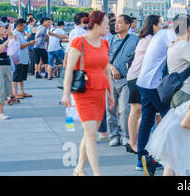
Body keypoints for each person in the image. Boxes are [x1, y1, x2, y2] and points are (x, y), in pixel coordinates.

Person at [60, 11, 115, 176]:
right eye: (106, 24)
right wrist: (65, 93)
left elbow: (106, 70)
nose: (109, 27)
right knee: (91, 134)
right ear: (96, 26)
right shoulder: (79, 42)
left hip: (100, 92)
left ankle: (79, 168)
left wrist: (111, 93)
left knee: (89, 132)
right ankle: (97, 173)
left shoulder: (105, 44)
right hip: (83, 92)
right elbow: (69, 70)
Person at [135, 25, 176, 175]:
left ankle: (142, 159)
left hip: (143, 82)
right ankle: (154, 158)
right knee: (171, 120)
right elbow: (178, 49)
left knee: (146, 122)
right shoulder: (168, 34)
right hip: (152, 84)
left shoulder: (159, 35)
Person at [125, 14, 162, 154]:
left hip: (137, 77)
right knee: (137, 111)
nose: (162, 27)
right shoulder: (150, 40)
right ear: (153, 25)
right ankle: (133, 143)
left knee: (141, 112)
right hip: (137, 78)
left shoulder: (146, 38)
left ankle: (136, 143)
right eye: (160, 24)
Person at [107, 15, 139, 147]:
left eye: (120, 23)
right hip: (110, 79)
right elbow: (103, 58)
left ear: (128, 25)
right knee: (111, 109)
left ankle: (126, 135)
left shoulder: (135, 40)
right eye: (115, 23)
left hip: (127, 80)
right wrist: (112, 68)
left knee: (125, 109)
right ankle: (114, 135)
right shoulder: (110, 40)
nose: (116, 25)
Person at [12, 18, 35, 99]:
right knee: (16, 76)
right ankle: (14, 93)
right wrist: (29, 43)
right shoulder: (15, 34)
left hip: (24, 58)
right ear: (18, 26)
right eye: (24, 27)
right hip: (18, 59)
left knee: (21, 76)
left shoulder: (20, 34)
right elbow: (19, 47)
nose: (24, 28)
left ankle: (21, 91)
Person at [0, 20, 14, 120]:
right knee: (0, 89)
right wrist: (7, 41)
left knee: (7, 89)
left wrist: (10, 33)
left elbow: (14, 40)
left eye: (4, 27)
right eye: (1, 28)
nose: (4, 29)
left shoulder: (3, 39)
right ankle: (1, 112)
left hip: (6, 65)